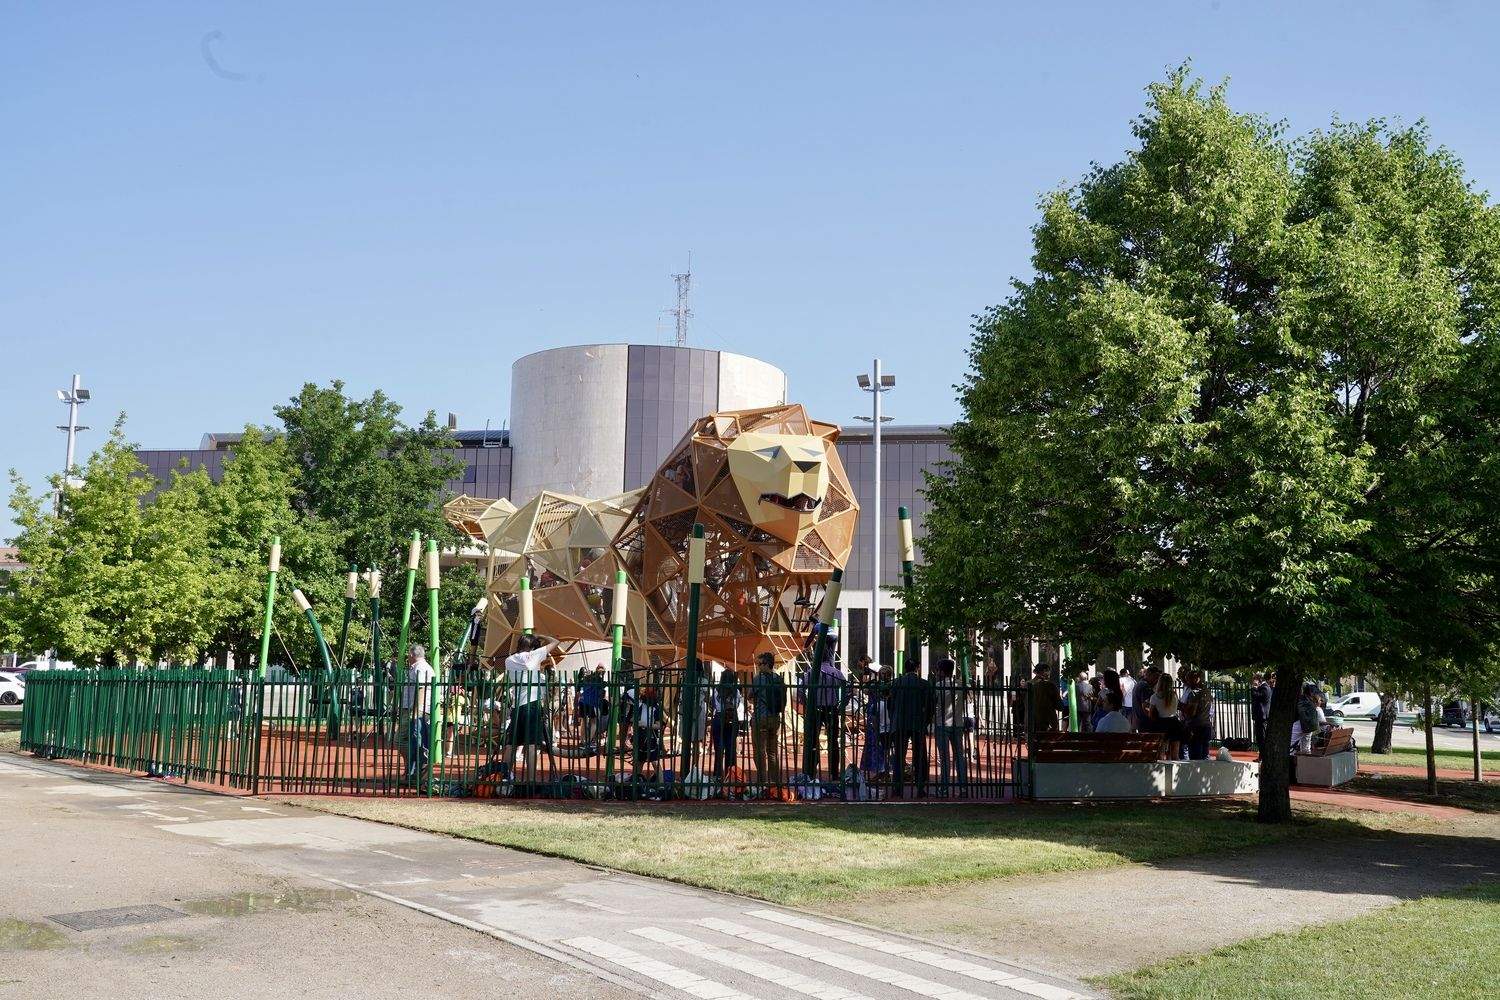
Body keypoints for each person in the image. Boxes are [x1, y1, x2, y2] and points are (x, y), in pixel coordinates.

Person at [503, 634, 560, 784]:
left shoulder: (508, 660)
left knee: (511, 743)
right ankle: (531, 780)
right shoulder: (534, 655)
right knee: (532, 744)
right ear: (533, 646)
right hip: (532, 703)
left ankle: (504, 776)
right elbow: (555, 641)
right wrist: (540, 636)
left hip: (517, 706)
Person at [800, 640, 848, 780]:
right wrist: (842, 704)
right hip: (832, 708)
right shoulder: (836, 673)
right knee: (833, 741)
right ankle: (834, 772)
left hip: (815, 708)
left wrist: (807, 704)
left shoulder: (811, 672)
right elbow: (849, 689)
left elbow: (800, 691)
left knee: (813, 740)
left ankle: (811, 771)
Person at [889, 658, 934, 798]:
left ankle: (897, 788)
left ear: (905, 668)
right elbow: (930, 707)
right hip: (917, 722)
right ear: (918, 668)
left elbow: (891, 703)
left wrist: (894, 719)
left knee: (899, 756)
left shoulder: (896, 683)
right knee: (920, 756)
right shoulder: (924, 684)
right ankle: (920, 787)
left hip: (900, 722)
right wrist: (925, 721)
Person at [750, 652, 786, 790]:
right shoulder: (778, 679)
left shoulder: (758, 679)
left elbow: (750, 695)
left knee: (759, 750)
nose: (758, 667)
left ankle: (762, 781)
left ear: (766, 664)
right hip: (775, 718)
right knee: (772, 751)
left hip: (761, 717)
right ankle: (774, 781)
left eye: (760, 664)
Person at [933, 658, 968, 796]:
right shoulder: (960, 685)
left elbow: (934, 703)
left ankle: (944, 787)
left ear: (941, 671)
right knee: (959, 755)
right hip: (957, 723)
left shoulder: (938, 686)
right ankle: (963, 787)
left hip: (942, 723)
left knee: (945, 757)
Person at [403, 644, 435, 784]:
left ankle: (416, 771)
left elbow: (421, 689)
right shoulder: (418, 667)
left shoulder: (420, 667)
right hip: (416, 709)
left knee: (416, 741)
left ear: (411, 655)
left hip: (418, 710)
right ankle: (412, 770)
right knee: (413, 740)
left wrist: (416, 712)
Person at [711, 668, 743, 777]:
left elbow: (714, 704)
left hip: (719, 717)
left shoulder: (716, 690)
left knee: (719, 749)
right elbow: (737, 704)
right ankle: (731, 775)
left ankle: (717, 775)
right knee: (730, 748)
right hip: (732, 717)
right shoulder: (736, 691)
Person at [1147, 671, 1183, 759]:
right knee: (1175, 753)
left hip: (1161, 724)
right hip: (1174, 723)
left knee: (1161, 752)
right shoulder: (1174, 695)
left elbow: (1151, 715)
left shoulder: (1154, 697)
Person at [1182, 670, 1214, 760]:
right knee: (1205, 756)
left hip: (1196, 727)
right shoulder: (1207, 692)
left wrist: (1181, 707)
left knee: (1195, 758)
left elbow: (1192, 712)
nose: (1187, 682)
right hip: (1206, 725)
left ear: (1195, 679)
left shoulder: (1194, 693)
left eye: (1188, 679)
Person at [577, 664, 607, 748]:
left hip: (583, 701)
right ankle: (588, 741)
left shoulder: (588, 677)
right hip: (591, 702)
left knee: (584, 721)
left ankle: (582, 740)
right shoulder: (599, 680)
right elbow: (602, 693)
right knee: (594, 722)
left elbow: (579, 687)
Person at [1027, 663, 1062, 735]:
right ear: (1044, 671)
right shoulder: (1050, 685)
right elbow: (1059, 706)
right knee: (1047, 744)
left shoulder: (1027, 685)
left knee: (1033, 744)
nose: (1049, 673)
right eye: (1048, 671)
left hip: (1030, 722)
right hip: (1047, 723)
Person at [1250, 673, 1271, 757]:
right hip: (1260, 716)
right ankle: (1262, 756)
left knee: (1261, 737)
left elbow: (1257, 696)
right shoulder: (1263, 687)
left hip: (1262, 716)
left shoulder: (1265, 688)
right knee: (1259, 737)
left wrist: (1254, 688)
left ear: (1258, 680)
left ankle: (1263, 756)